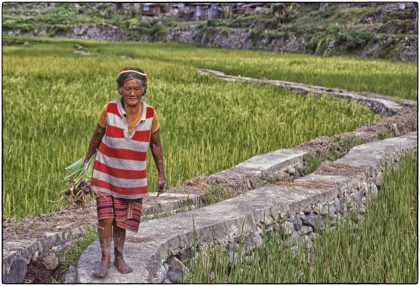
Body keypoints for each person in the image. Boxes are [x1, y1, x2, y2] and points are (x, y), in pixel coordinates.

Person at [84, 67, 166, 278]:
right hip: (106, 172)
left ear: (143, 91)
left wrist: (162, 174)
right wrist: (85, 164)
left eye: (136, 89)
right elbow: (97, 135)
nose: (132, 93)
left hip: (132, 178)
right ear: (121, 90)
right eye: (127, 88)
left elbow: (156, 145)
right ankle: (105, 259)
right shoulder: (109, 109)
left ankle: (119, 256)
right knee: (105, 218)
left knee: (122, 220)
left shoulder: (150, 114)